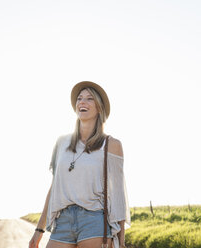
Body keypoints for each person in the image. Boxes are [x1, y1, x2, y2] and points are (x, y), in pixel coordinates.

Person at [29, 81, 130, 248]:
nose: (82, 102)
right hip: (63, 221)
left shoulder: (111, 144)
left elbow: (118, 197)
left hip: (95, 220)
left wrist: (121, 241)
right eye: (79, 98)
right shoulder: (62, 142)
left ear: (99, 108)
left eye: (89, 98)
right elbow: (55, 187)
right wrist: (39, 230)